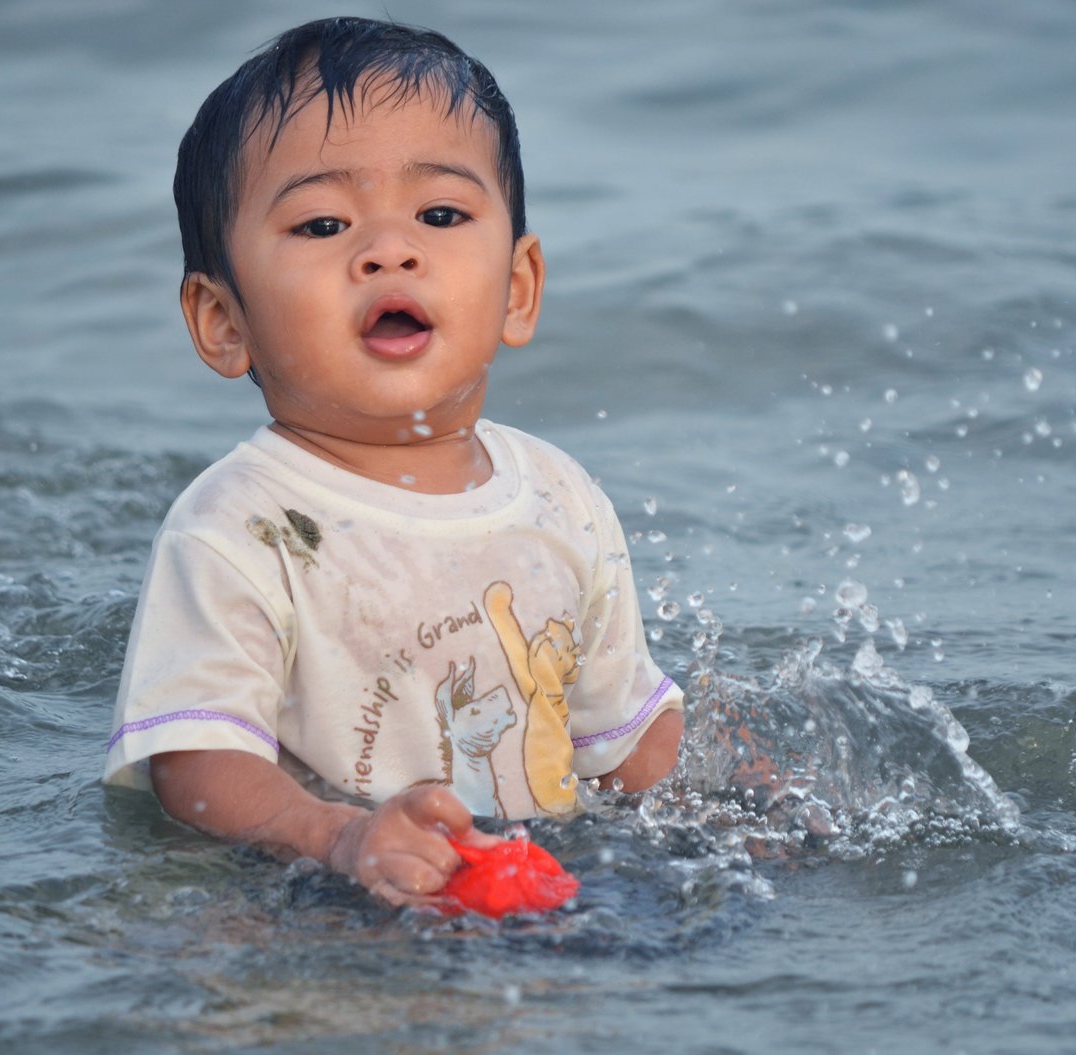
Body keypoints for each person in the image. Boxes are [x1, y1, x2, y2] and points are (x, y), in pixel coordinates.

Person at [104, 16, 684, 908]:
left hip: (526, 898)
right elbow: (195, 764)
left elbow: (621, 744)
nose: (389, 249)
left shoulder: (560, 498)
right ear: (224, 320)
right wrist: (340, 840)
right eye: (323, 223)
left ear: (518, 290)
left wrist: (733, 806)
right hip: (315, 905)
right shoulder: (237, 527)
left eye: (441, 214)